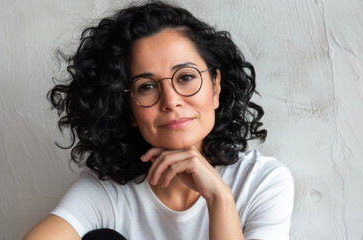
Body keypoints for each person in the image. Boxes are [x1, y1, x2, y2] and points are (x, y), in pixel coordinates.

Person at [24, 1, 294, 240]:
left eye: (186, 77)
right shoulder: (107, 192)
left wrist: (219, 198)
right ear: (129, 110)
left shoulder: (262, 182)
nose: (170, 101)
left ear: (215, 88)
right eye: (146, 86)